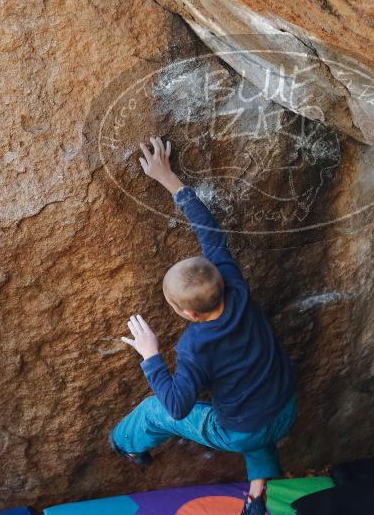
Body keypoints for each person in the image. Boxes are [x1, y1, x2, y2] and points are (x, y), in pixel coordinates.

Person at [109, 136, 298, 515]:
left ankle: (124, 444)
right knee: (247, 404)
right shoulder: (233, 283)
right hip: (284, 407)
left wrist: (151, 356)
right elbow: (210, 234)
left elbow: (177, 407)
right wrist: (169, 179)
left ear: (187, 314)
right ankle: (256, 496)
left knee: (153, 411)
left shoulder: (195, 347)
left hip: (245, 428)